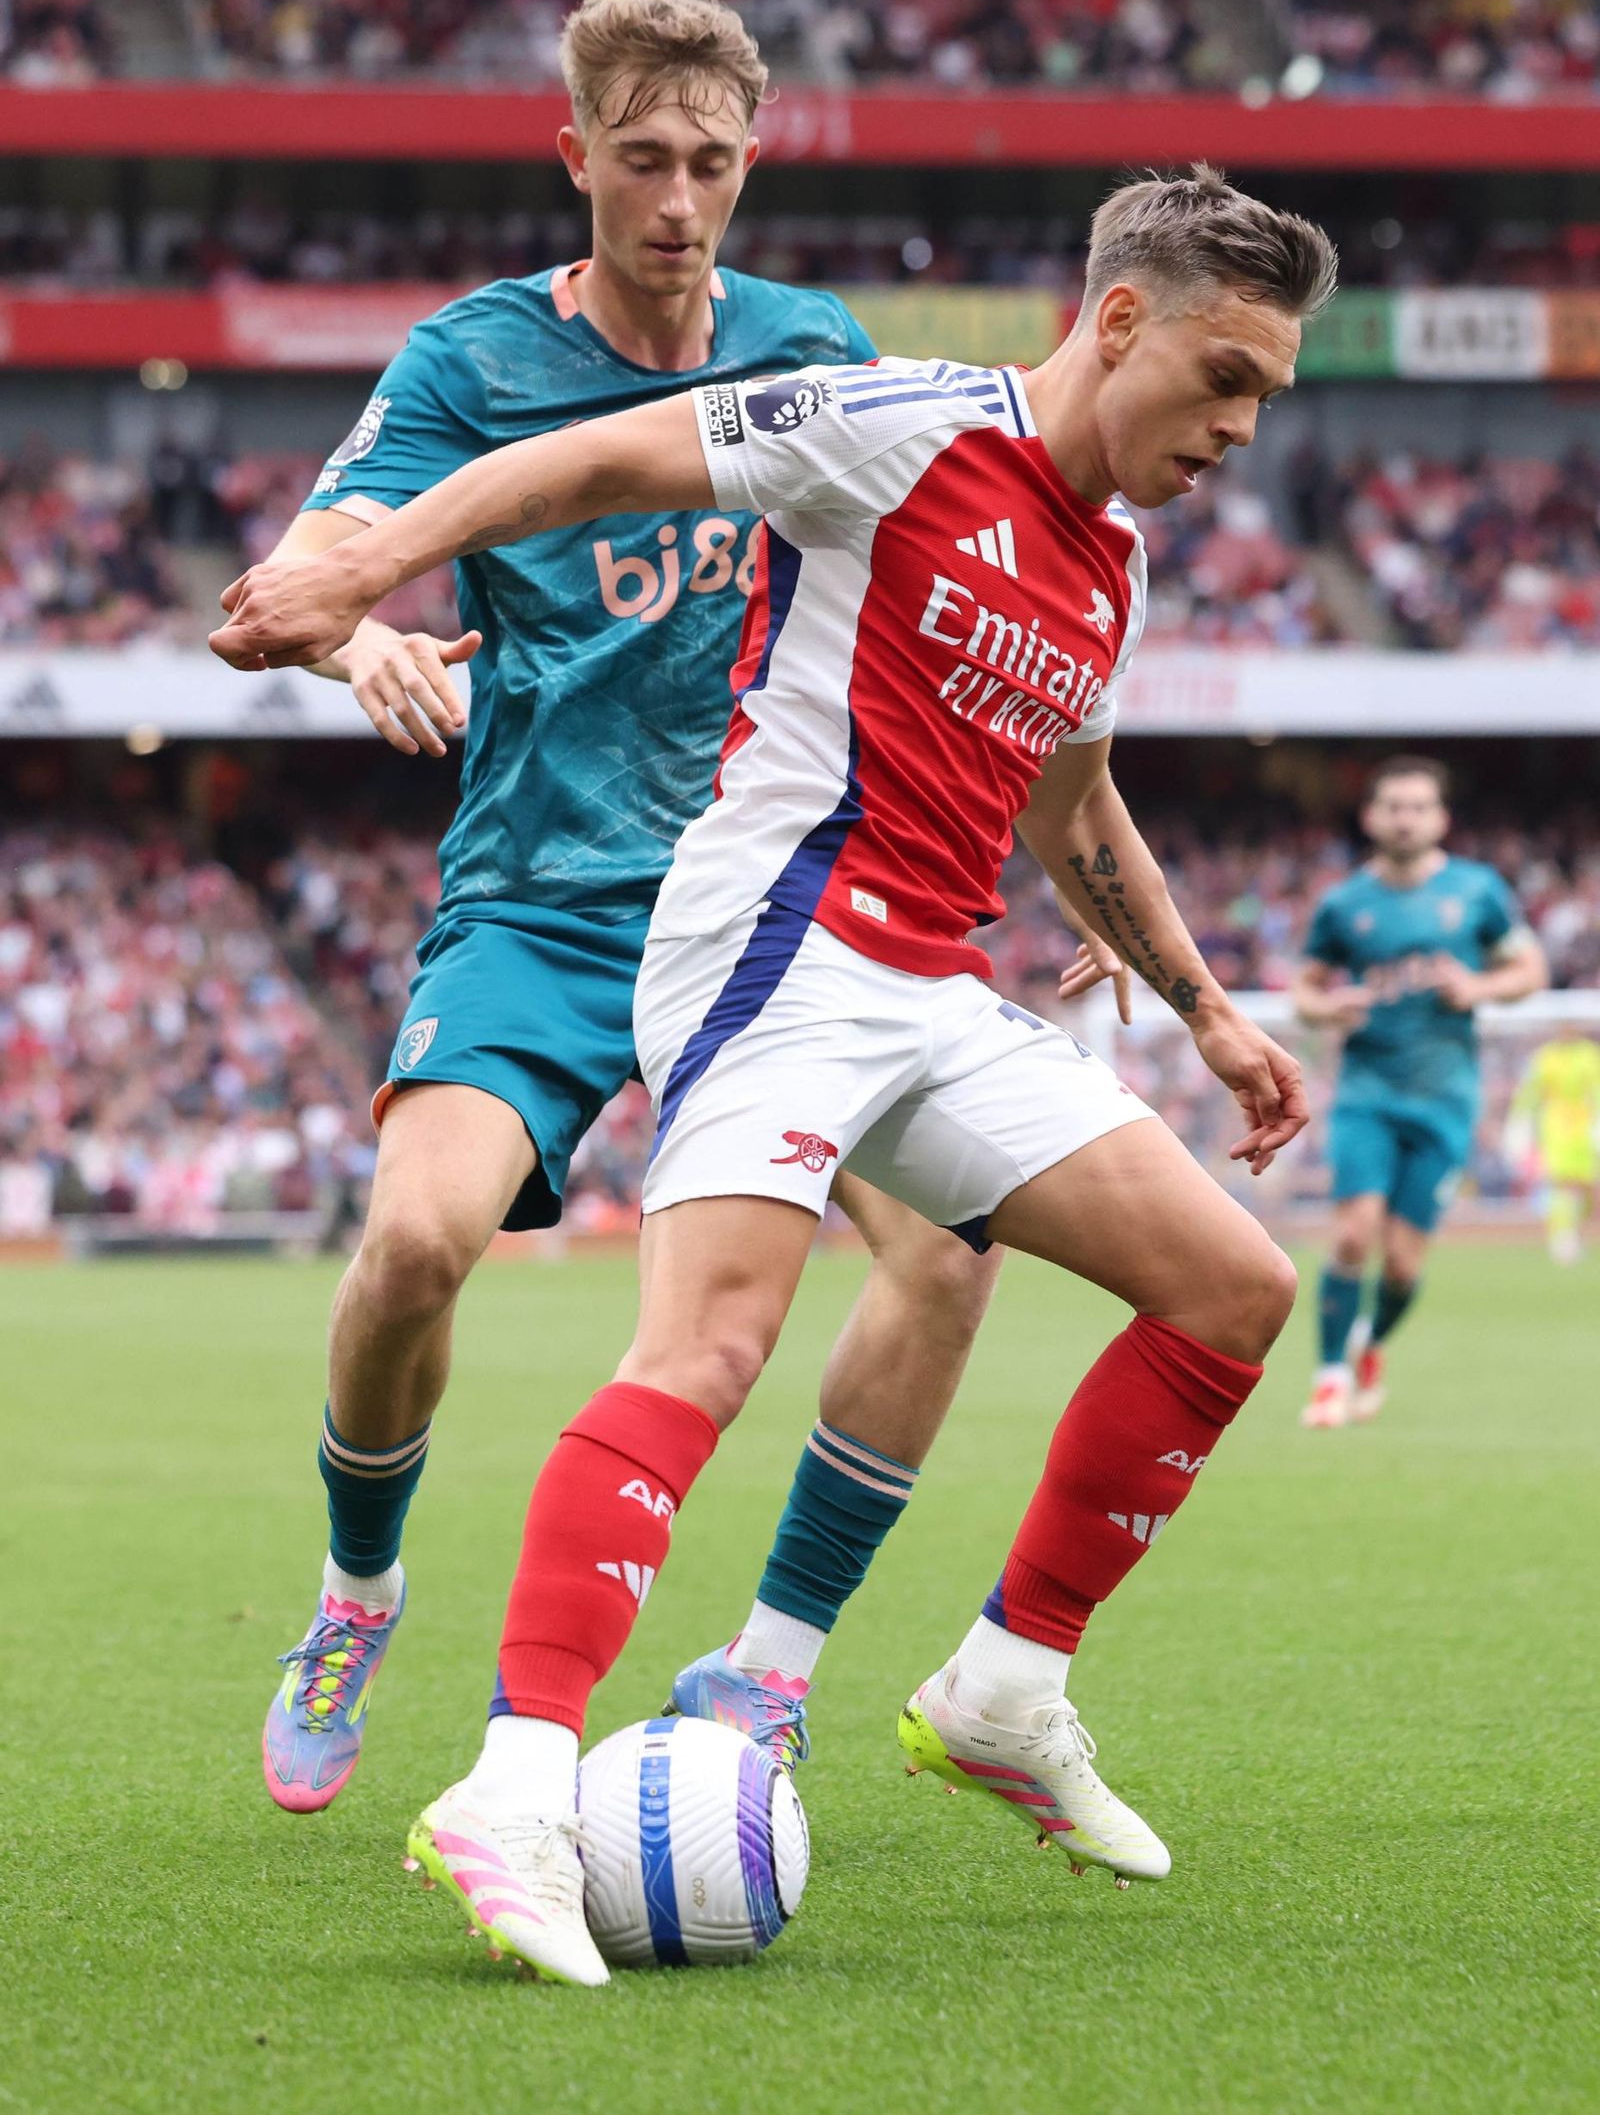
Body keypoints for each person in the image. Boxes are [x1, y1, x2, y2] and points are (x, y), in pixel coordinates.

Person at [217, 164, 1333, 1987]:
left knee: (1232, 1285)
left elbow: (1068, 798)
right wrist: (354, 569)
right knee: (709, 1346)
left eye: (1266, 399)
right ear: (1117, 321)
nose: (1238, 427)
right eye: (1226, 376)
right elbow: (589, 467)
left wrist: (1203, 1006)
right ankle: (510, 1784)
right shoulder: (890, 426)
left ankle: (1003, 1684)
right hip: (775, 953)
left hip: (931, 984)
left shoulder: (1112, 555)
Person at [251, 0, 1016, 1820]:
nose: (679, 200)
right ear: (576, 154)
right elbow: (306, 557)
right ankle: (360, 1590)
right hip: (547, 892)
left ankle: (767, 1671)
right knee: (417, 1246)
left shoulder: (808, 341)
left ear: (750, 166)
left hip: (771, 900)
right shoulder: (475, 361)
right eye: (646, 160)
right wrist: (359, 636)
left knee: (948, 1252)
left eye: (714, 164)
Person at [1294, 758, 1547, 1429]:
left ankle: (1369, 1340)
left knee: (1403, 1264)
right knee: (1352, 1234)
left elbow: (1529, 970)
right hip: (1366, 1090)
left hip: (1445, 1094)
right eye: (1393, 806)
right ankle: (1327, 1380)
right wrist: (1328, 1007)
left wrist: (1478, 988)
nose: (1405, 817)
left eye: (1418, 806)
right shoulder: (1344, 903)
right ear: (1371, 816)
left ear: (1440, 818)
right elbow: (1304, 989)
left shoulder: (1477, 890)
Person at [1508, 1026, 1600, 1264]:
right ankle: (1561, 1236)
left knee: (1585, 1184)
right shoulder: (1544, 1057)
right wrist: (1521, 1120)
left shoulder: (1590, 1056)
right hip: (1556, 1127)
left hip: (1584, 1127)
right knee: (1561, 1183)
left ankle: (1575, 1231)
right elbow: (1529, 1093)